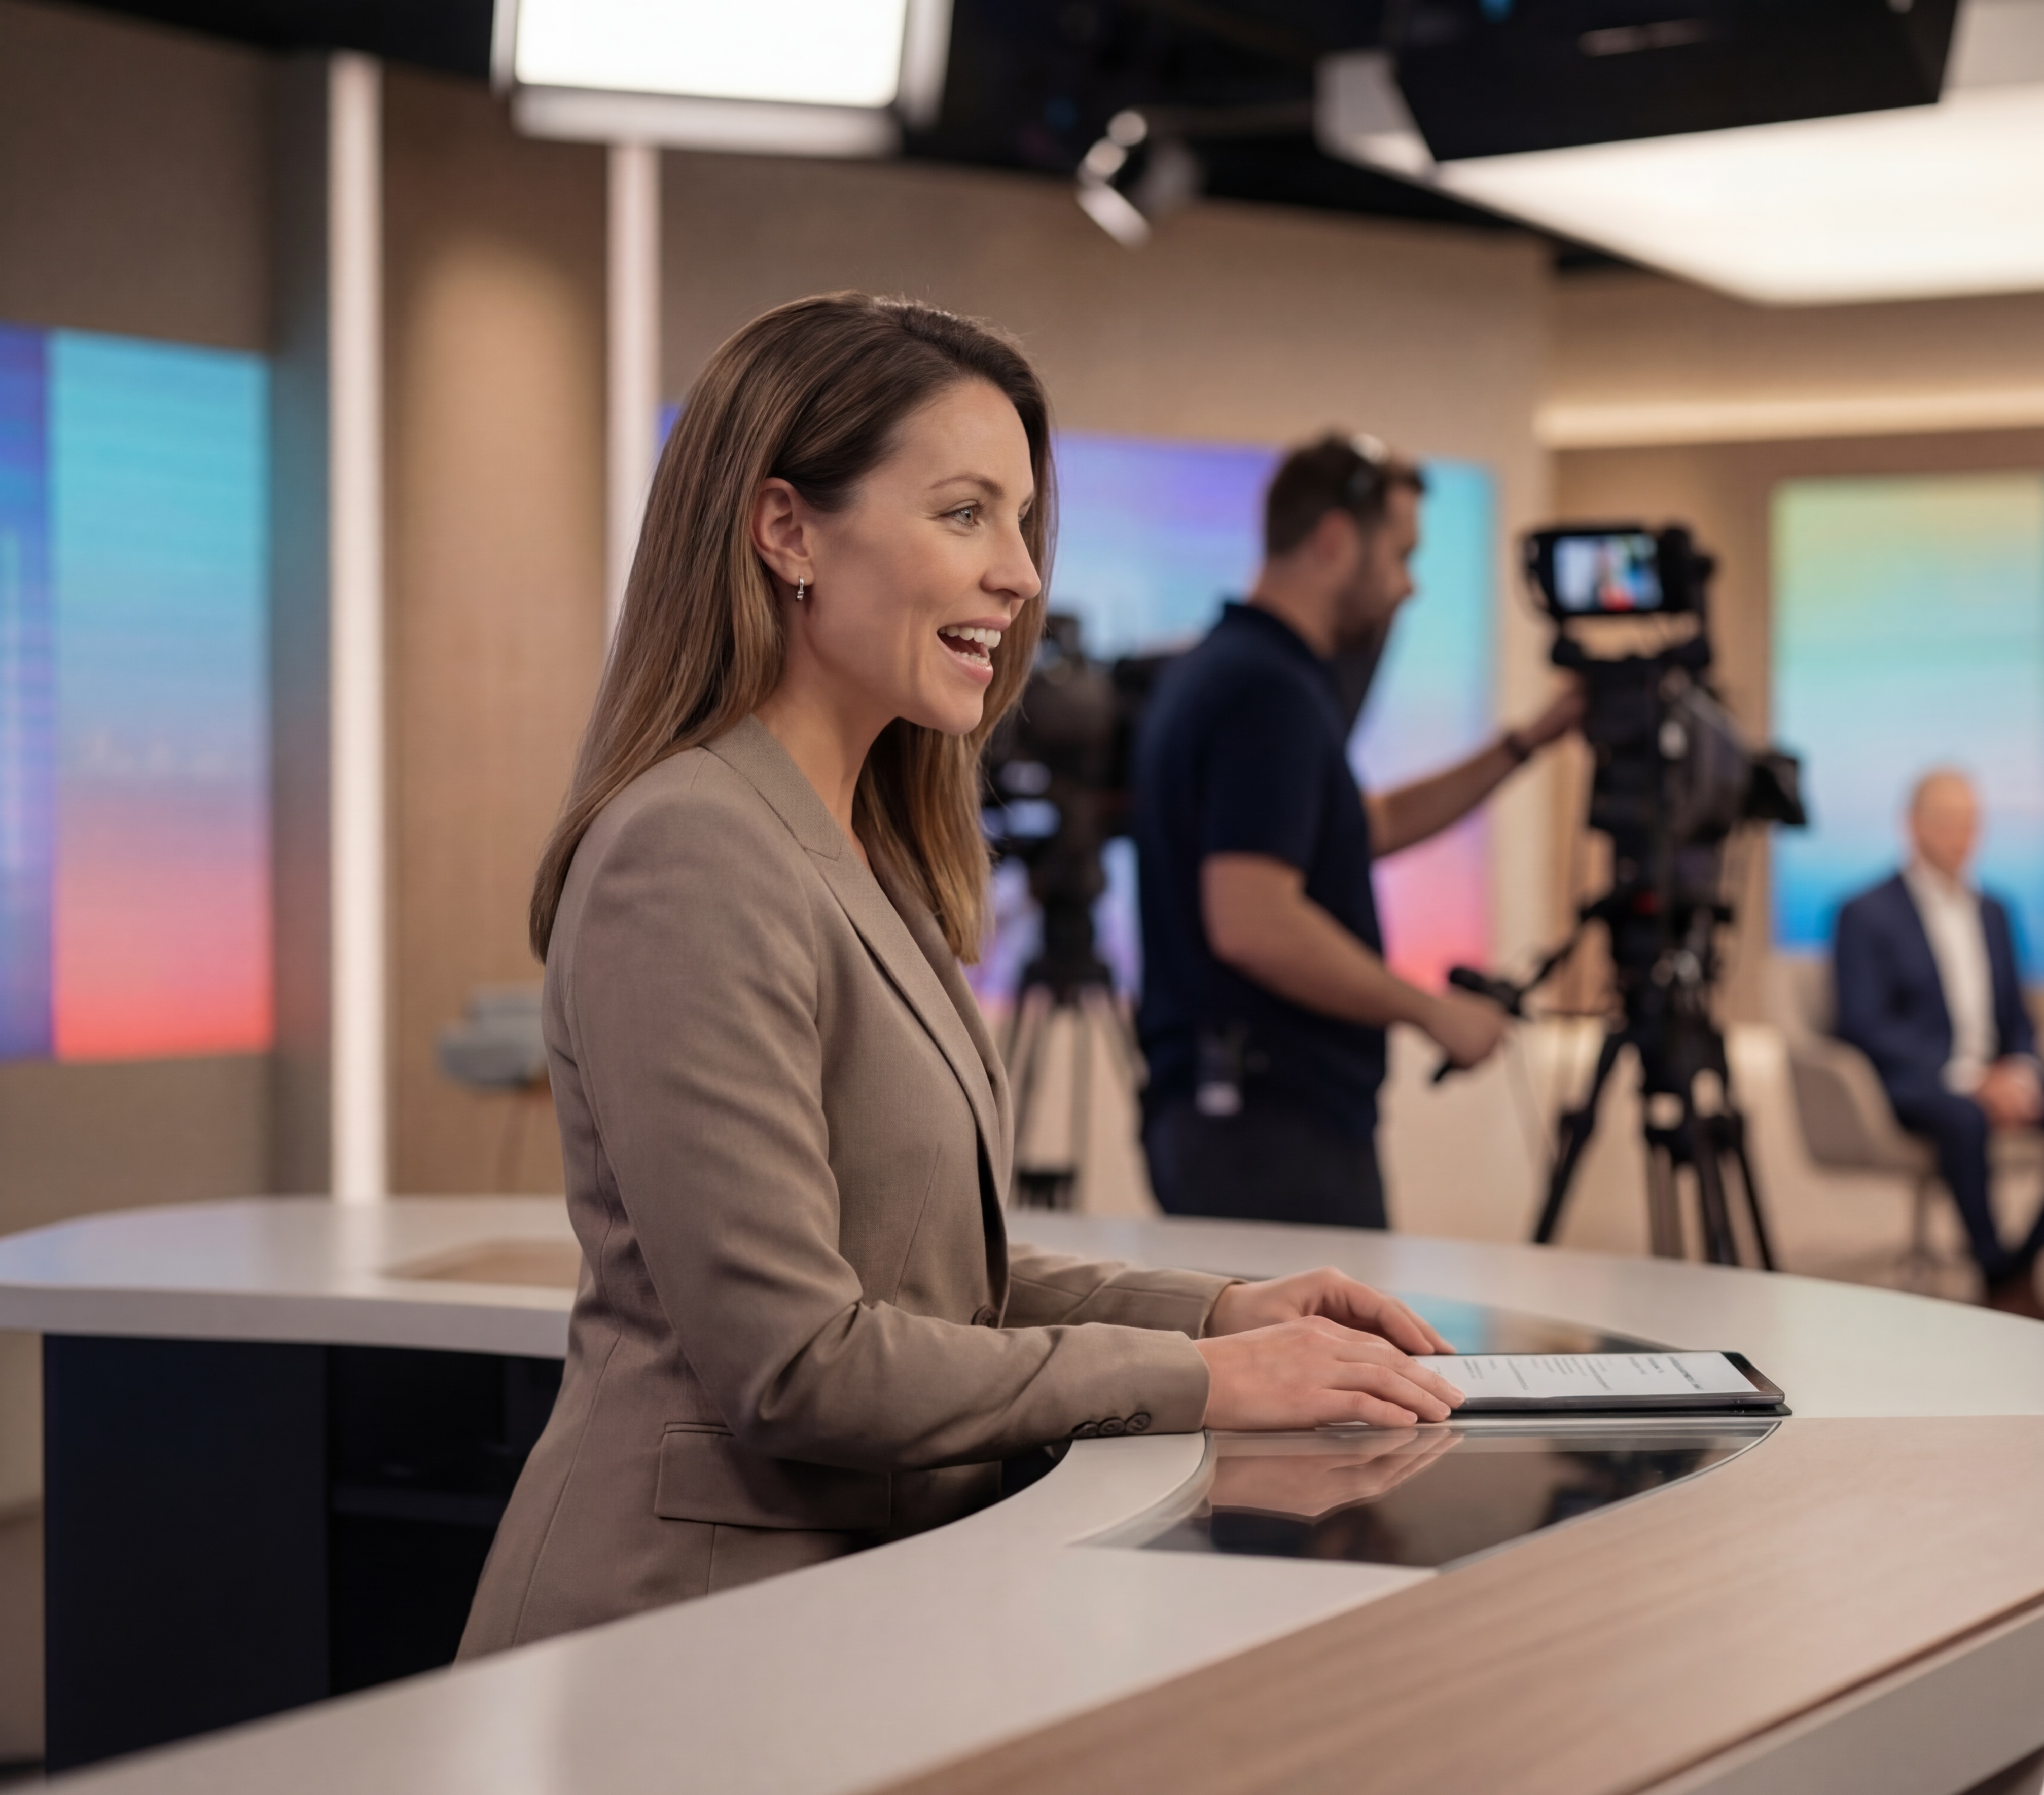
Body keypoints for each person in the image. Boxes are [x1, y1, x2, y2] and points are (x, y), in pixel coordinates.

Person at [460, 297, 1465, 1658]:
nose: (1022, 576)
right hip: (679, 1634)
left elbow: (931, 1280)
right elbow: (803, 1366)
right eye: (965, 514)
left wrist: (1223, 1311)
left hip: (837, 1613)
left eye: (1023, 522)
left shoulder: (853, 845)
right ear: (788, 531)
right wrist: (1204, 1377)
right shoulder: (690, 849)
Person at [1131, 432, 1582, 1229]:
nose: (1409, 588)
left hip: (1238, 1121)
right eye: (1402, 555)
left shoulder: (1228, 670)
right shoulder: (1268, 694)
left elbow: (1367, 827)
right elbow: (1254, 921)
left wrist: (1526, 743)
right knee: (1336, 1353)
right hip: (1276, 1133)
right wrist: (1431, 1012)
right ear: (1337, 541)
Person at [1831, 769, 2044, 1320]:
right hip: (1918, 1082)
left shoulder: (1995, 911)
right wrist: (1970, 1079)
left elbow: (2019, 1017)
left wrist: (2019, 1071)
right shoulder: (1866, 912)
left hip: (1997, 1074)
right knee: (1965, 1116)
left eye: (1971, 823)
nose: (1961, 836)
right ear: (1913, 826)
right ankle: (1996, 1274)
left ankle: (2021, 1265)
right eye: (1948, 822)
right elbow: (1862, 1024)